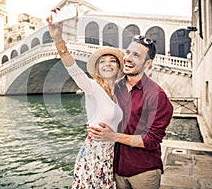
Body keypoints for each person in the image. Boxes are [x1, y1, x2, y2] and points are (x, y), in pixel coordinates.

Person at [46, 12, 124, 188]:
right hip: (93, 154)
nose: (108, 64)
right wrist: (58, 40)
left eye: (112, 61)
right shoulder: (92, 88)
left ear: (118, 67)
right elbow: (72, 68)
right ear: (97, 68)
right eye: (102, 61)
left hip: (109, 155)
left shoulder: (118, 94)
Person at [88, 35, 173, 189]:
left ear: (148, 63)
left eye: (136, 55)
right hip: (115, 170)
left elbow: (151, 140)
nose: (128, 58)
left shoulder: (156, 95)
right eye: (128, 52)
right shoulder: (115, 88)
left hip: (143, 173)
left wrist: (113, 136)